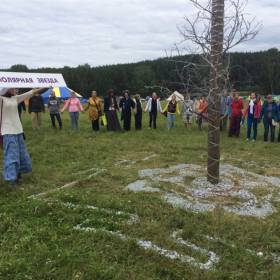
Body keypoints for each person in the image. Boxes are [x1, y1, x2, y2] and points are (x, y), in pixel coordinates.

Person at [0, 88, 46, 186]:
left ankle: (18, 174)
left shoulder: (15, 98)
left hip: (18, 131)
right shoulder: (1, 99)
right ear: (6, 89)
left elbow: (32, 92)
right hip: (7, 131)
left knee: (21, 154)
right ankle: (12, 179)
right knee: (11, 156)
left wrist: (47, 85)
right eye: (12, 87)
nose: (15, 89)